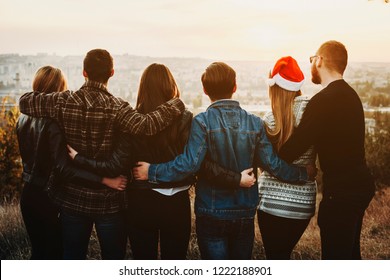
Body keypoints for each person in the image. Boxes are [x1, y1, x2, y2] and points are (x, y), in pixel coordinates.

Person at [67, 63, 255, 259]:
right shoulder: (186, 119)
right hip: (175, 201)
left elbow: (121, 162)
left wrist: (83, 160)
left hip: (140, 199)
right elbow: (193, 162)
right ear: (170, 85)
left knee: (143, 258)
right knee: (174, 260)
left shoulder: (131, 118)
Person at [133, 62, 316, 260]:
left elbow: (189, 164)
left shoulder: (201, 122)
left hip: (211, 212)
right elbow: (272, 164)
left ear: (204, 90)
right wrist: (302, 173)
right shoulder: (255, 123)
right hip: (244, 212)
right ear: (235, 87)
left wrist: (151, 171)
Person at [18, 49, 186, 260]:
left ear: (84, 72)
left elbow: (25, 102)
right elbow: (147, 125)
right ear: (112, 73)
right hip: (109, 203)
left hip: (73, 199)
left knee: (72, 258)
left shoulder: (63, 101)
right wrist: (176, 103)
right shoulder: (118, 107)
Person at [16, 66, 126, 260]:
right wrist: (103, 179)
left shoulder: (23, 118)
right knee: (55, 255)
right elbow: (63, 169)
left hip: (28, 194)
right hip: (50, 196)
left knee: (39, 253)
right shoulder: (52, 123)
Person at [279, 41, 375, 259]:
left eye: (312, 59)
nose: (311, 64)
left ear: (319, 60)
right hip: (359, 186)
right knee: (350, 256)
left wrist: (266, 150)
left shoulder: (323, 101)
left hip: (341, 193)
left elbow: (293, 149)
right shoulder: (352, 96)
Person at [257, 56, 317, 259]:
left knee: (274, 257)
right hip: (302, 203)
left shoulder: (270, 119)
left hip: (270, 203)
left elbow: (266, 165)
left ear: (274, 88)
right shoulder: (312, 111)